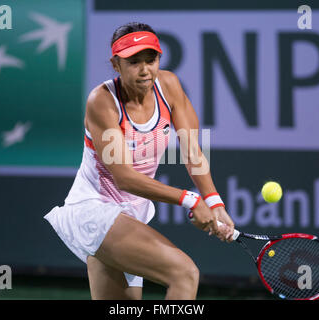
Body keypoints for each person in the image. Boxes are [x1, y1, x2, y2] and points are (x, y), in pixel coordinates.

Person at [44, 22, 235, 300]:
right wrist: (191, 200)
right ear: (115, 64)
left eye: (151, 59)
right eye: (134, 62)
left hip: (131, 217)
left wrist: (214, 202)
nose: (145, 69)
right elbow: (124, 177)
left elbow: (192, 151)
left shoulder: (169, 86)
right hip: (95, 211)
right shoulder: (102, 102)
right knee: (184, 273)